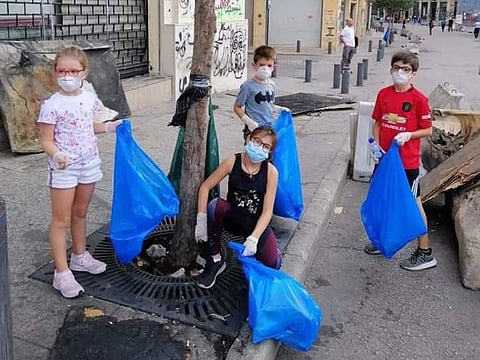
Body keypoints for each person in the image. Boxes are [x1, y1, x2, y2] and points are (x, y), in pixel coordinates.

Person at [37, 46, 122, 298]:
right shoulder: (51, 104)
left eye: (73, 70)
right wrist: (56, 154)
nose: (67, 75)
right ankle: (61, 273)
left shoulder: (88, 97)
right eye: (62, 70)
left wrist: (107, 128)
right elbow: (46, 139)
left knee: (80, 212)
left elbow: (87, 125)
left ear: (84, 72)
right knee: (60, 220)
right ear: (55, 72)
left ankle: (79, 255)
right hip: (64, 169)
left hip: (89, 164)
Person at [364, 50, 436, 271]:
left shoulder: (419, 100)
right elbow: (377, 122)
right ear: (390, 69)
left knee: (413, 203)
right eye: (396, 68)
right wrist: (376, 145)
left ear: (413, 73)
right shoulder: (384, 94)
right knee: (384, 199)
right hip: (385, 160)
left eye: (405, 70)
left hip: (407, 163)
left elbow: (428, 129)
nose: (400, 73)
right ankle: (383, 239)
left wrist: (409, 135)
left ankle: (424, 252)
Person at [194, 126, 282, 289]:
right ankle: (215, 259)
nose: (260, 148)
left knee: (273, 263)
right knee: (215, 206)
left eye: (266, 146)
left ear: (269, 152)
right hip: (233, 218)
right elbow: (206, 187)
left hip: (255, 223)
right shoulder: (232, 162)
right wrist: (201, 219)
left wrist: (254, 238)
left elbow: (268, 211)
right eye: (257, 141)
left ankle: (256, 253)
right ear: (249, 139)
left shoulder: (271, 172)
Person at [233, 45, 276, 143]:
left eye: (269, 65)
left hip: (269, 128)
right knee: (253, 155)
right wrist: (249, 122)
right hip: (253, 130)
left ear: (274, 67)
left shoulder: (272, 85)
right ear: (254, 65)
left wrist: (280, 109)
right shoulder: (247, 86)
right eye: (261, 65)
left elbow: (270, 104)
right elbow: (237, 107)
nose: (265, 69)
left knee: (267, 156)